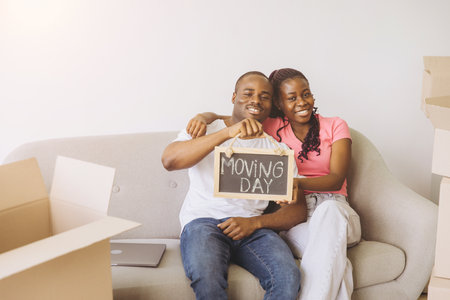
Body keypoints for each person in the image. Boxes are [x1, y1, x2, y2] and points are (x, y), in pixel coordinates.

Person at [187, 68, 362, 300]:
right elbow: (232, 117)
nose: (302, 102)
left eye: (306, 94)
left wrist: (292, 183)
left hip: (335, 207)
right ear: (279, 105)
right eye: (292, 98)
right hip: (300, 216)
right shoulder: (271, 128)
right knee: (336, 262)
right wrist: (202, 117)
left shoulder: (335, 125)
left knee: (330, 217)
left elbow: (337, 178)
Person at [161, 71, 307, 300]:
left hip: (253, 229)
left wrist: (255, 223)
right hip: (203, 223)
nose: (256, 101)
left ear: (271, 104)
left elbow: (298, 210)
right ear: (233, 97)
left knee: (288, 276)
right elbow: (169, 160)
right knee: (207, 277)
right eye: (248, 93)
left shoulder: (276, 149)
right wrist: (227, 132)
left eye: (264, 96)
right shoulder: (206, 128)